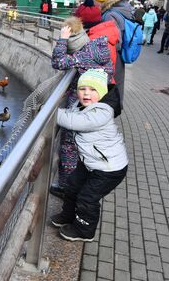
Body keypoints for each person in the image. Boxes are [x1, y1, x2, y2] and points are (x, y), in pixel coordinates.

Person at [50, 69, 128, 242]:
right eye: (82, 89)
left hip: (109, 169)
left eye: (93, 90)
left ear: (102, 93)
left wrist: (49, 111)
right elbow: (72, 113)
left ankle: (84, 231)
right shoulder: (82, 104)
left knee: (87, 197)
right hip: (91, 162)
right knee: (72, 186)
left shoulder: (102, 112)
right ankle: (68, 215)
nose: (86, 93)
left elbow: (73, 121)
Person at [50, 17, 113, 198]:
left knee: (70, 147)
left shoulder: (83, 55)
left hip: (82, 110)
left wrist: (62, 39)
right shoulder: (96, 49)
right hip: (96, 107)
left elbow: (58, 62)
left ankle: (66, 189)